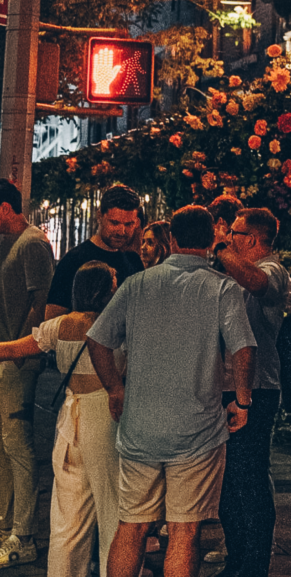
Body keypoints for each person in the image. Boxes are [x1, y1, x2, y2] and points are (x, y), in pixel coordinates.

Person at [86, 204, 256, 577]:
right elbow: (244, 348)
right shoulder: (223, 287)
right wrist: (242, 401)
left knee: (131, 526)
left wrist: (115, 388)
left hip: (139, 428)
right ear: (211, 240)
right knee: (184, 532)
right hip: (197, 430)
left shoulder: (136, 284)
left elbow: (97, 339)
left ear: (173, 240)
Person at [0, 262, 121, 576]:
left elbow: (13, 350)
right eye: (114, 282)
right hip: (105, 419)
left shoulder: (59, 326)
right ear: (104, 290)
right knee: (113, 513)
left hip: (69, 423)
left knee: (67, 518)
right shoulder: (115, 327)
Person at [211, 208, 288, 577]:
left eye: (234, 233)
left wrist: (221, 249)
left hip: (257, 388)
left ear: (252, 239)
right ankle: (237, 560)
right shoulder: (233, 271)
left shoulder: (272, 270)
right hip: (226, 386)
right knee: (229, 482)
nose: (229, 238)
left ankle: (254, 566)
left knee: (249, 478)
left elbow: (257, 283)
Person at [0, 179, 54, 569]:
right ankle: (7, 527)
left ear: (5, 208)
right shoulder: (12, 243)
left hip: (18, 357)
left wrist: (19, 352)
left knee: (17, 444)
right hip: (7, 354)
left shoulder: (32, 243)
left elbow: (42, 301)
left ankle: (25, 534)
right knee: (6, 443)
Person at [46, 185, 144, 321]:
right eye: (114, 223)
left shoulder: (134, 261)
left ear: (137, 222)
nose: (121, 231)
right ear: (100, 216)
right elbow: (52, 320)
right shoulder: (74, 260)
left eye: (128, 224)